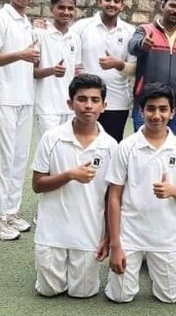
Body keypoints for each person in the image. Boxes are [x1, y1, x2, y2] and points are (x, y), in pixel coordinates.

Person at [105, 83, 176, 303]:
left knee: (170, 296)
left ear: (172, 112)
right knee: (120, 296)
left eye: (163, 109)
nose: (157, 115)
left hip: (164, 235)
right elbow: (114, 197)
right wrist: (115, 244)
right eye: (151, 109)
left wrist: (173, 191)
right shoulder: (126, 146)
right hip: (130, 233)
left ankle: (155, 266)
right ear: (141, 111)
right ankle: (135, 264)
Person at [31, 74, 117, 298]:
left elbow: (112, 197)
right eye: (82, 99)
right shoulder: (51, 138)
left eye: (95, 100)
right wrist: (69, 175)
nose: (88, 105)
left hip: (88, 235)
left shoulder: (111, 146)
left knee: (83, 293)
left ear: (104, 106)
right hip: (52, 233)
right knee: (49, 291)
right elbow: (37, 184)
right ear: (70, 104)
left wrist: (108, 237)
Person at [0, 0, 39, 240]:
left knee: (19, 159)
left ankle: (10, 212)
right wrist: (21, 54)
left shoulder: (27, 23)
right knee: (2, 160)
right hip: (4, 97)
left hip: (26, 97)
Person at [71, 0, 136, 142]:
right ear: (99, 1)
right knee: (81, 144)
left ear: (122, 5)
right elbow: (65, 46)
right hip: (86, 101)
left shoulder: (130, 31)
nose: (112, 4)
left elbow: (134, 69)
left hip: (117, 102)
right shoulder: (81, 27)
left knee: (112, 147)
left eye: (116, 1)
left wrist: (117, 64)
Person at [128, 0, 176, 136]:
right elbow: (132, 47)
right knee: (143, 145)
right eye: (172, 6)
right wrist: (142, 44)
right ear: (162, 6)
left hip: (174, 109)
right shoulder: (145, 30)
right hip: (146, 105)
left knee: (170, 147)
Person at [33, 0, 81, 139]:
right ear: (51, 9)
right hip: (46, 108)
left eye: (70, 8)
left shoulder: (75, 38)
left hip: (69, 107)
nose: (66, 12)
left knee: (67, 148)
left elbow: (76, 72)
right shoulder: (39, 33)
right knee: (50, 148)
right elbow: (31, 72)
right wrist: (52, 71)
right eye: (61, 7)